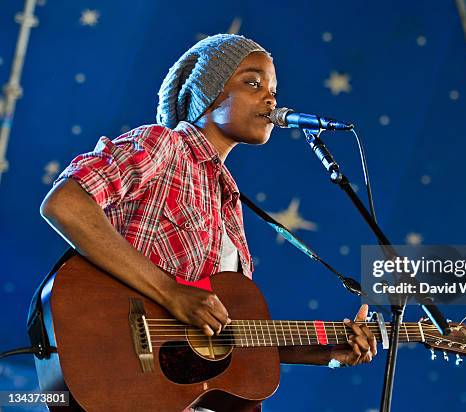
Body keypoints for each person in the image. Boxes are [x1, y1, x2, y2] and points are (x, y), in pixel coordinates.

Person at [40, 34, 377, 410]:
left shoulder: (228, 202)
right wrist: (170, 292)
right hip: (119, 375)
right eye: (253, 82)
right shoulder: (162, 146)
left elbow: (220, 337)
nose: (271, 99)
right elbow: (65, 203)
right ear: (209, 93)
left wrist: (326, 351)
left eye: (274, 90)